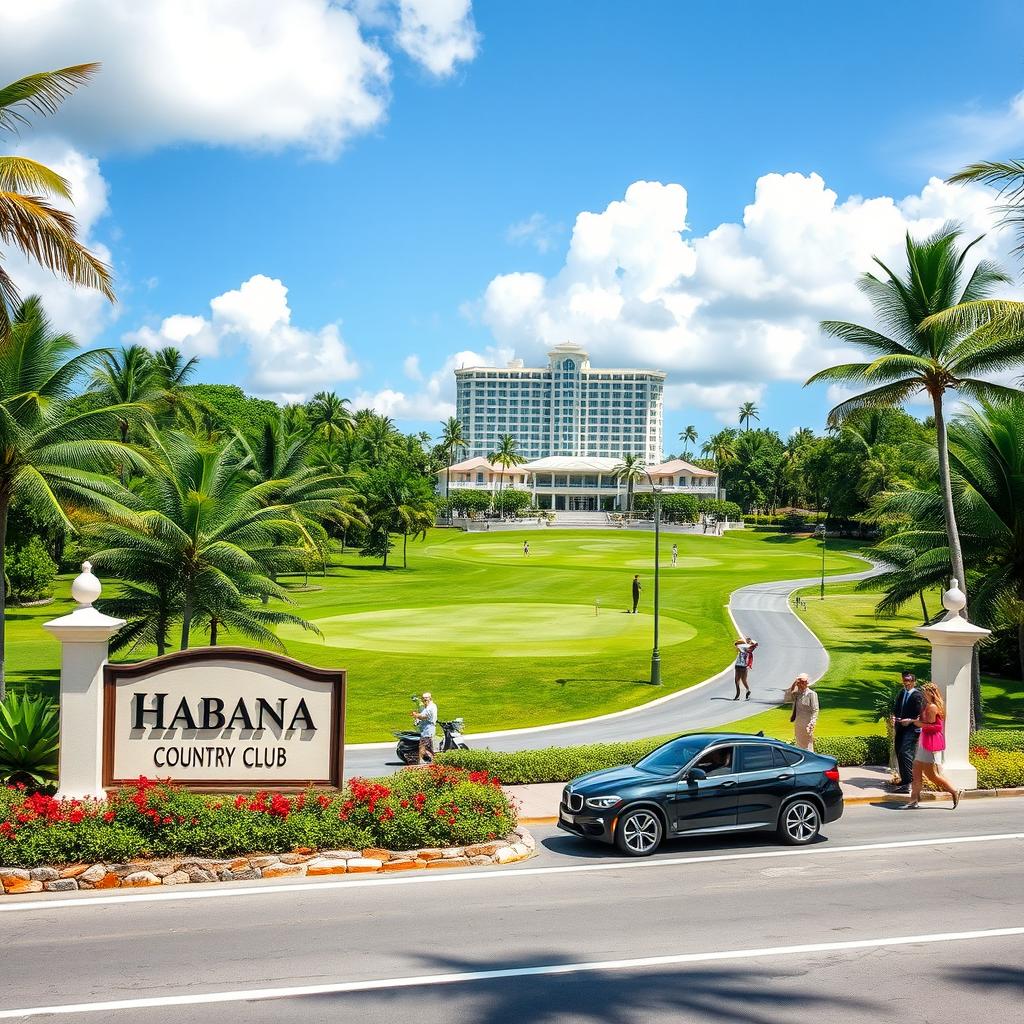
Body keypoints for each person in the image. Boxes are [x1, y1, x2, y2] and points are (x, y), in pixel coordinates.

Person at [906, 682, 962, 809]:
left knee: (932, 776)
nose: (922, 693)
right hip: (924, 742)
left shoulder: (932, 707)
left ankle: (954, 791)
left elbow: (932, 726)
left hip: (928, 743)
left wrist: (916, 723)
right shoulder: (929, 706)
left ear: (930, 693)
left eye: (925, 691)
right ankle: (914, 799)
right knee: (916, 771)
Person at [890, 672, 924, 794]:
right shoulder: (901, 693)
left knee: (905, 753)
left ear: (914, 681)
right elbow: (896, 708)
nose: (906, 682)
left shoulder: (917, 695)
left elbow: (920, 715)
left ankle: (910, 782)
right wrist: (894, 717)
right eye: (905, 680)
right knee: (899, 751)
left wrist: (909, 721)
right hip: (900, 727)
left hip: (911, 729)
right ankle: (905, 782)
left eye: (909, 680)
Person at [784, 673, 819, 750]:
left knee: (808, 744)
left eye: (803, 682)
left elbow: (815, 710)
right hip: (798, 723)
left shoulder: (811, 694)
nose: (801, 684)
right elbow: (787, 698)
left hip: (807, 723)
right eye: (800, 682)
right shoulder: (797, 694)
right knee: (799, 744)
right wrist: (794, 683)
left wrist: (812, 722)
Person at [411, 691, 438, 765]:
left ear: (430, 698)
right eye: (423, 698)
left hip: (428, 730)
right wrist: (417, 719)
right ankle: (432, 761)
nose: (424, 699)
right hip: (425, 729)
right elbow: (422, 714)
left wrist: (416, 715)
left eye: (426, 698)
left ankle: (423, 762)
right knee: (428, 746)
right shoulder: (427, 706)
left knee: (423, 746)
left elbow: (424, 716)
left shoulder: (431, 707)